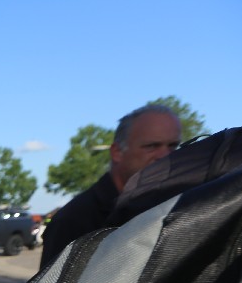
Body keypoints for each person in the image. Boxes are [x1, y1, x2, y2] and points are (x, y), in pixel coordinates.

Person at [40, 104, 182, 267]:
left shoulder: (178, 207)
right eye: (152, 146)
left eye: (173, 146)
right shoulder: (73, 221)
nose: (165, 155)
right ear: (117, 152)